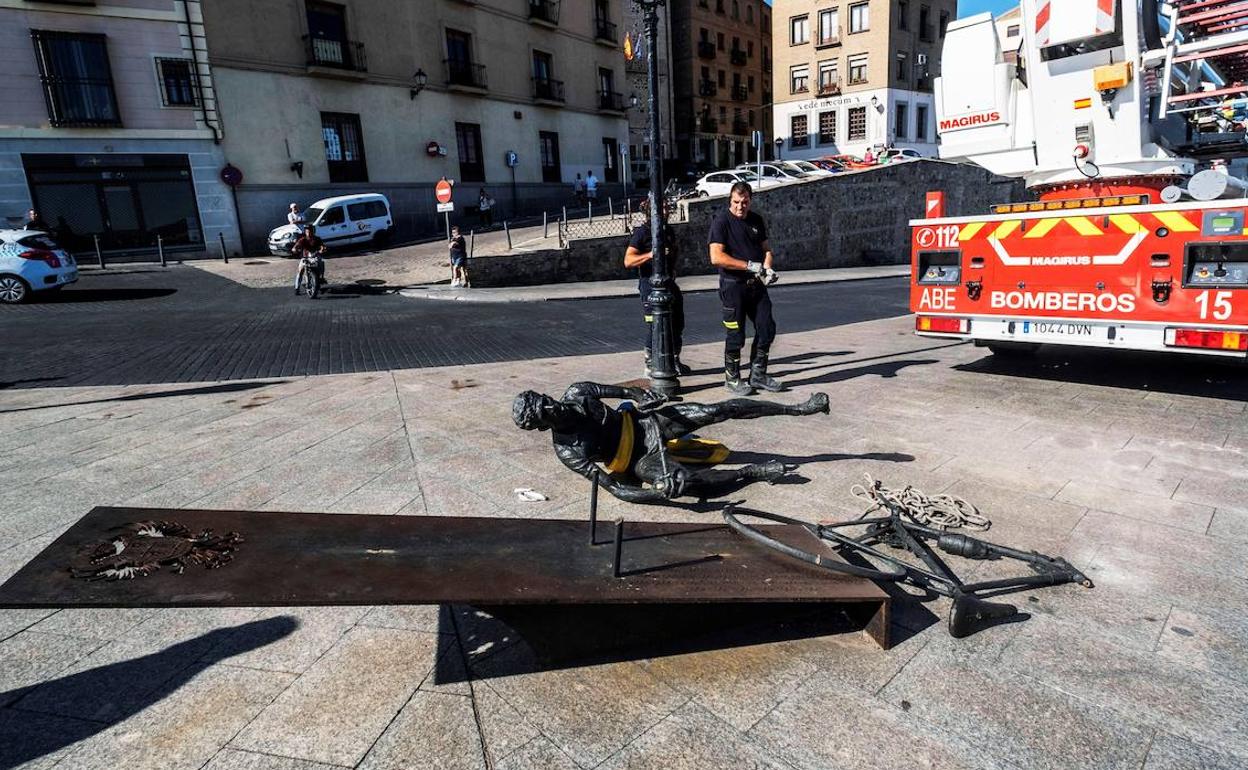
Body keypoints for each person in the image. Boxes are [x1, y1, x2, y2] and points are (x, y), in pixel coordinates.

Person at [513, 382, 829, 504]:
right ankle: (752, 473)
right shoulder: (568, 450)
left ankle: (799, 408)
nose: (553, 409)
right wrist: (656, 494)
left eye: (547, 402)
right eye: (546, 415)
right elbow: (616, 489)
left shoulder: (579, 392)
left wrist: (646, 396)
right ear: (544, 427)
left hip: (645, 423)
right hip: (637, 460)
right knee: (685, 482)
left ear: (546, 395)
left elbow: (630, 393)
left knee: (719, 409)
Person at [708, 181, 781, 396]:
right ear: (730, 200)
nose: (740, 207)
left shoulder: (756, 220)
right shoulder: (721, 221)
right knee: (735, 334)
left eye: (745, 202)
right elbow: (716, 257)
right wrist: (749, 265)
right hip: (733, 288)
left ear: (750, 200)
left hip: (756, 286)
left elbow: (766, 250)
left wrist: (767, 268)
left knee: (767, 327)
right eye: (736, 202)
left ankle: (758, 374)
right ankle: (732, 379)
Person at [624, 198, 691, 376]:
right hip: (649, 284)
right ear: (651, 212)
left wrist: (673, 269)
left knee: (677, 322)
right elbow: (628, 260)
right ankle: (650, 362)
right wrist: (651, 254)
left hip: (669, 282)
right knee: (654, 324)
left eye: (667, 209)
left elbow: (674, 251)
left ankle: (674, 359)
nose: (666, 212)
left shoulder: (668, 231)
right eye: (661, 209)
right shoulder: (642, 233)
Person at [291, 225, 326, 294]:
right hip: (305, 258)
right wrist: (294, 249)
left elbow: (322, 246)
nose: (309, 233)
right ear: (305, 232)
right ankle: (297, 287)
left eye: (310, 231)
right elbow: (296, 246)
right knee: (300, 270)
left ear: (313, 231)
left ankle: (321, 278)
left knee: (321, 262)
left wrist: (322, 249)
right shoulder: (303, 239)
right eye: (307, 231)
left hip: (314, 257)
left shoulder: (317, 239)